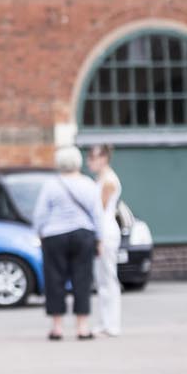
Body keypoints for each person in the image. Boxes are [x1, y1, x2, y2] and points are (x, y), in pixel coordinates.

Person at [31, 146, 104, 341]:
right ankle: (82, 326)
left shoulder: (51, 185)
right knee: (82, 279)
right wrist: (100, 239)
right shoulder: (88, 184)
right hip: (83, 234)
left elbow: (40, 213)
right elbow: (98, 214)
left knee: (54, 279)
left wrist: (38, 232)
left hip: (54, 235)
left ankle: (57, 327)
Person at [87, 143, 125, 337]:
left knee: (108, 277)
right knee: (102, 279)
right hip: (103, 230)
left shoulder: (108, 180)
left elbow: (100, 211)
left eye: (92, 158)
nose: (89, 163)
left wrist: (99, 238)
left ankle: (112, 324)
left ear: (102, 159)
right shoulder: (102, 178)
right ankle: (104, 322)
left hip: (107, 232)